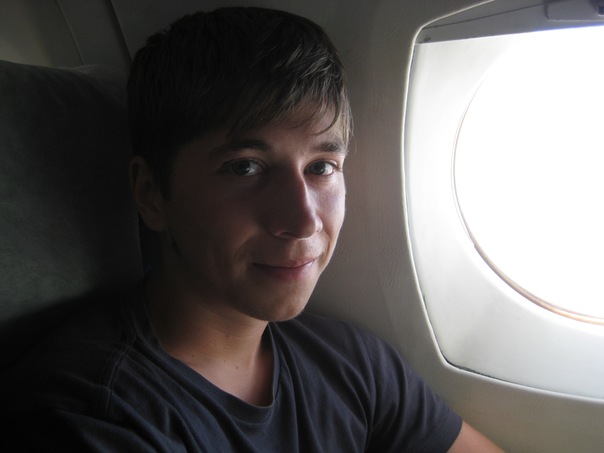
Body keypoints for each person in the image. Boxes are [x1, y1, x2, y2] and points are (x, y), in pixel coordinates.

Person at [0, 7, 502, 452]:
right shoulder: (91, 417)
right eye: (245, 167)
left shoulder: (353, 364)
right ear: (151, 193)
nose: (304, 220)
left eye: (321, 167)